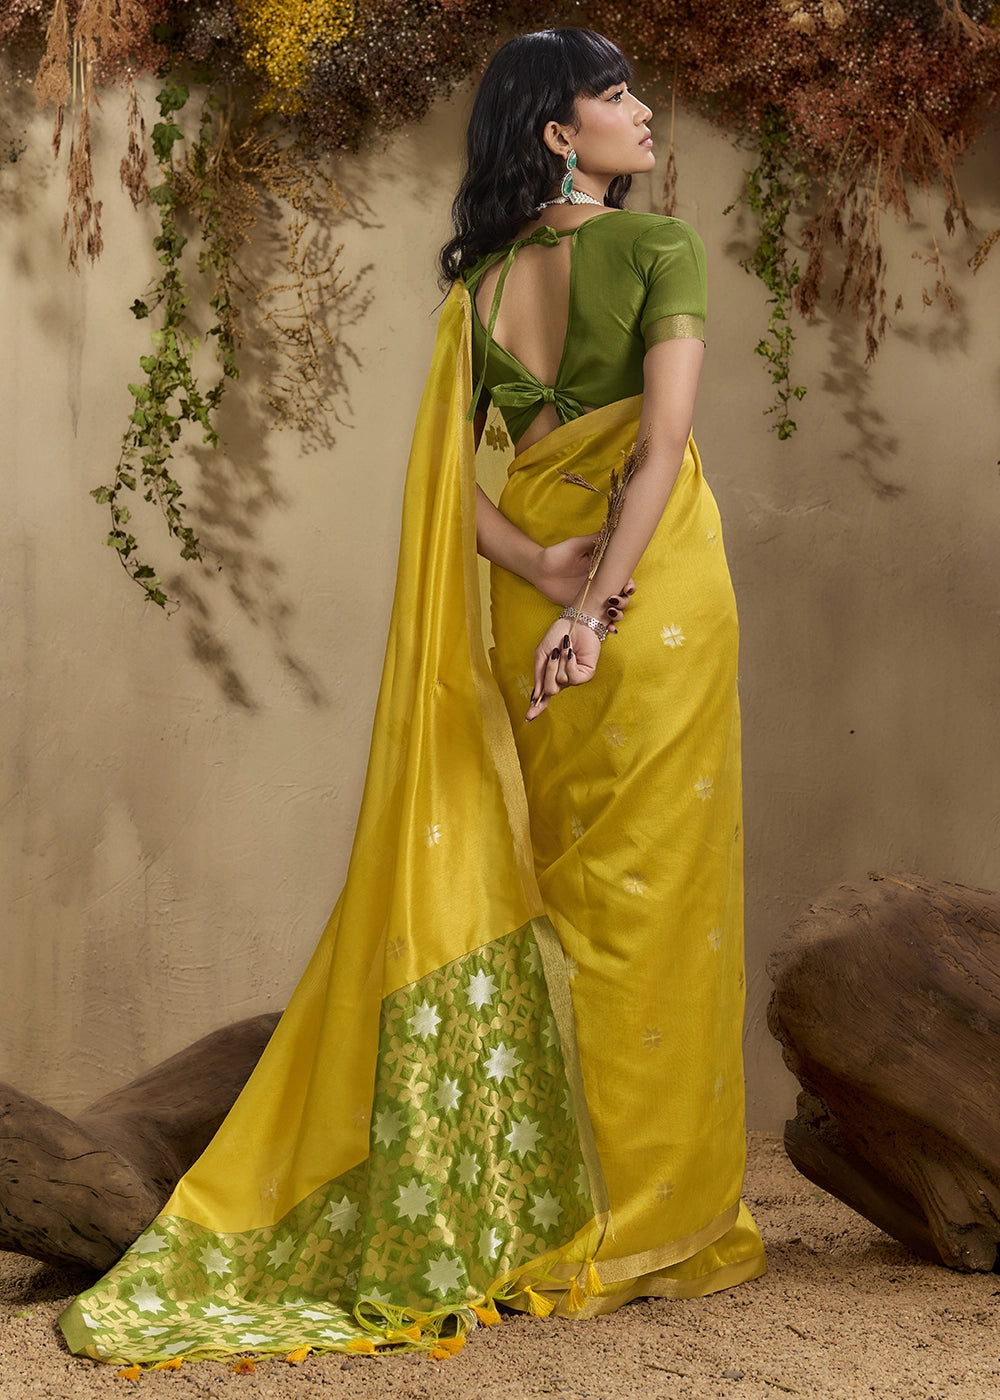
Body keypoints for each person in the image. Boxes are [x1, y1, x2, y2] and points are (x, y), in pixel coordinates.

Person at [59, 28, 765, 1368]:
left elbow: (450, 495)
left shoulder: (482, 289)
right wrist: (599, 608)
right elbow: (663, 442)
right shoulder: (658, 249)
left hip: (532, 596)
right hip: (651, 601)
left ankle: (549, 1189)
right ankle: (644, 1217)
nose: (643, 109)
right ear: (558, 133)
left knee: (557, 889)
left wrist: (547, 579)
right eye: (615, 95)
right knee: (653, 901)